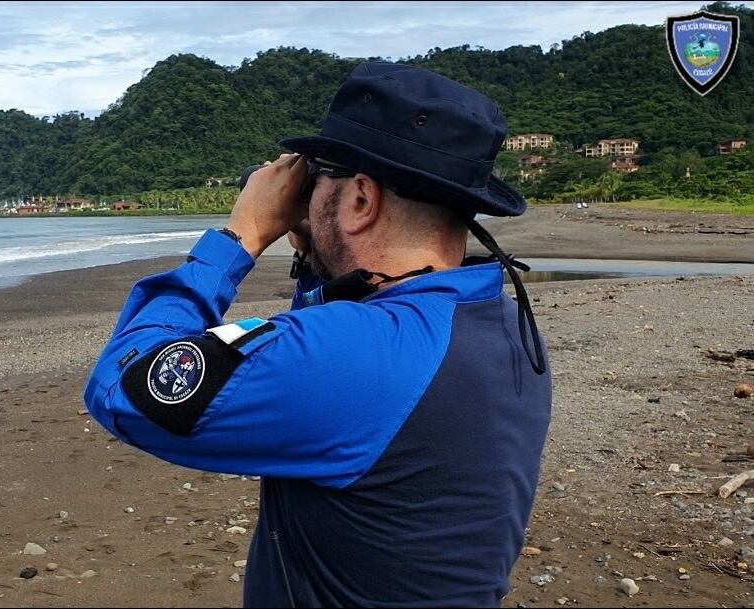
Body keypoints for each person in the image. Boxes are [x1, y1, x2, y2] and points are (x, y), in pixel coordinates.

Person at [84, 62, 552, 607]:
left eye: (319, 177)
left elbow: (123, 388)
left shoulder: (361, 352)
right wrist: (318, 247)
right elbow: (325, 334)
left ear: (360, 201)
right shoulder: (499, 326)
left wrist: (240, 236)